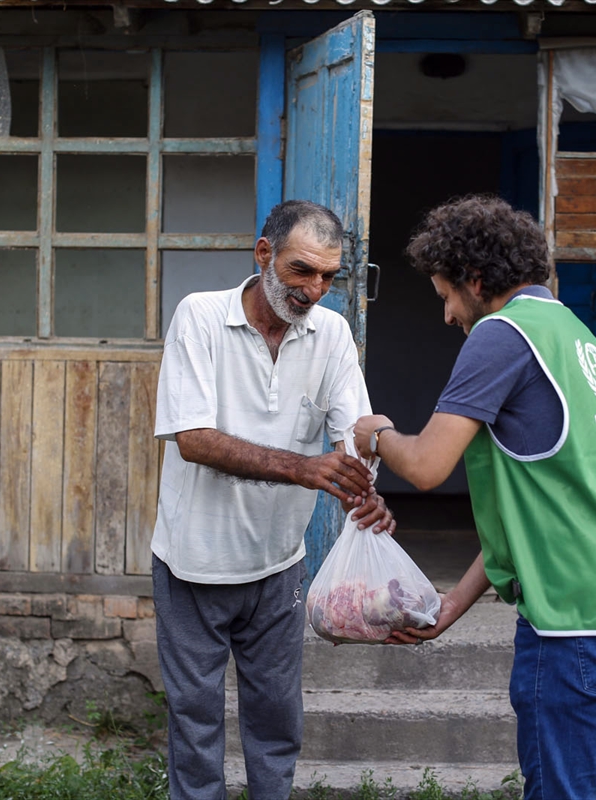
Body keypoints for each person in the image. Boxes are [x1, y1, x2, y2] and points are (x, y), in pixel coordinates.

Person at [353, 195, 596, 800]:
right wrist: (454, 603)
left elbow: (425, 467)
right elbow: (541, 512)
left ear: (477, 281)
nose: (448, 314)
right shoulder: (576, 337)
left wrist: (375, 435)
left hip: (575, 625)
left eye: (447, 295)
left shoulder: (501, 334)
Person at [152, 199, 394, 800]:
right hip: (193, 562)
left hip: (279, 564)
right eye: (301, 271)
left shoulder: (331, 333)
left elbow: (354, 431)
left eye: (328, 277)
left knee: (277, 722)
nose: (314, 290)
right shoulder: (200, 317)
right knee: (195, 722)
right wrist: (307, 469)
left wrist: (363, 489)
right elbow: (194, 440)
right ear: (264, 255)